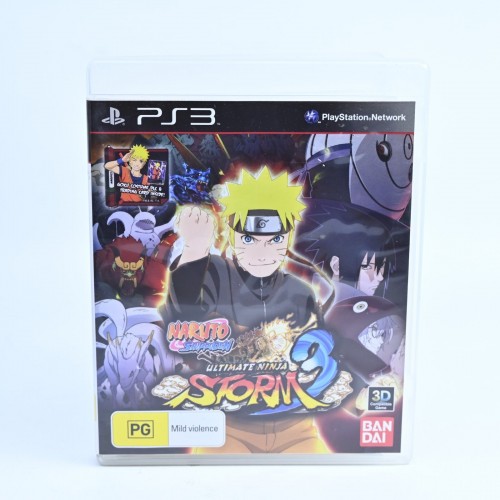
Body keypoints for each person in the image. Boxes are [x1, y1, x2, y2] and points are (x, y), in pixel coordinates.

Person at [164, 167, 330, 454]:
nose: (262, 253)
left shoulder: (301, 292)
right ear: (233, 236)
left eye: (274, 240)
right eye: (249, 239)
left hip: (294, 422)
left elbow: (324, 350)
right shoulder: (215, 272)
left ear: (287, 238)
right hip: (227, 421)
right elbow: (184, 313)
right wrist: (194, 251)